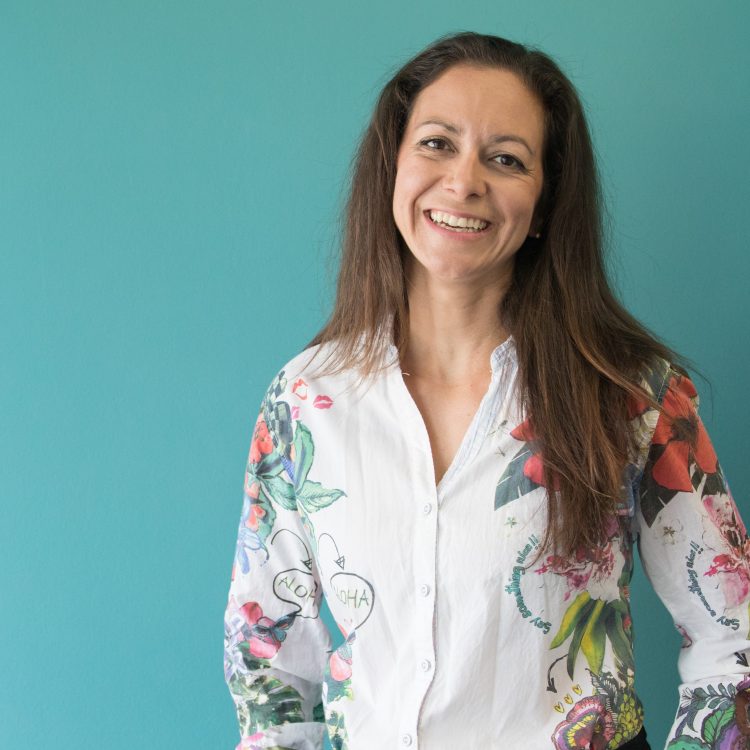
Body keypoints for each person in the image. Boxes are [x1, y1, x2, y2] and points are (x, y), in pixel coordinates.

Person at [223, 31, 750, 749]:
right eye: (437, 144)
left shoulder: (631, 394)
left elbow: (734, 640)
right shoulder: (303, 402)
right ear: (392, 165)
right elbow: (270, 670)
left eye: (506, 159)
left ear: (545, 202)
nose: (464, 181)